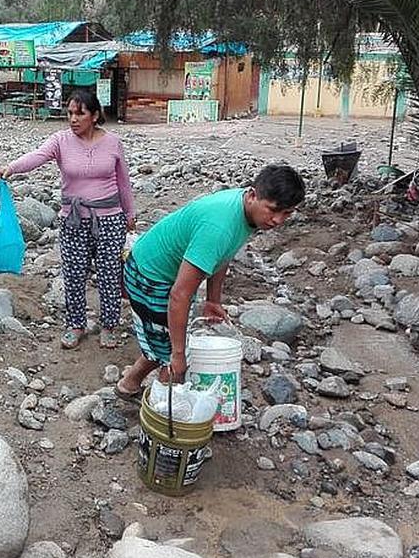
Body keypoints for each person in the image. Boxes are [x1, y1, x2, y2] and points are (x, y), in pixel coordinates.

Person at [115, 164, 305, 396]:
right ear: (253, 195)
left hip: (164, 270)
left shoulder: (246, 210)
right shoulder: (219, 226)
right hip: (149, 276)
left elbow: (223, 255)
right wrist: (178, 357)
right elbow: (179, 295)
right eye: (273, 210)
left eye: (286, 213)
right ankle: (165, 412)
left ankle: (130, 384)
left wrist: (213, 300)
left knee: (164, 339)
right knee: (172, 356)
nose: (277, 220)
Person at [0, 89, 136, 350]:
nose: (73, 119)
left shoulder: (113, 143)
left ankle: (108, 325)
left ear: (94, 116)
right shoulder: (60, 140)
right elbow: (36, 156)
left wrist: (130, 214)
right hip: (72, 220)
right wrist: (11, 168)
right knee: (73, 275)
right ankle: (75, 325)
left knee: (109, 273)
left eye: (79, 113)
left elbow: (123, 182)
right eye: (69, 113)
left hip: (109, 219)